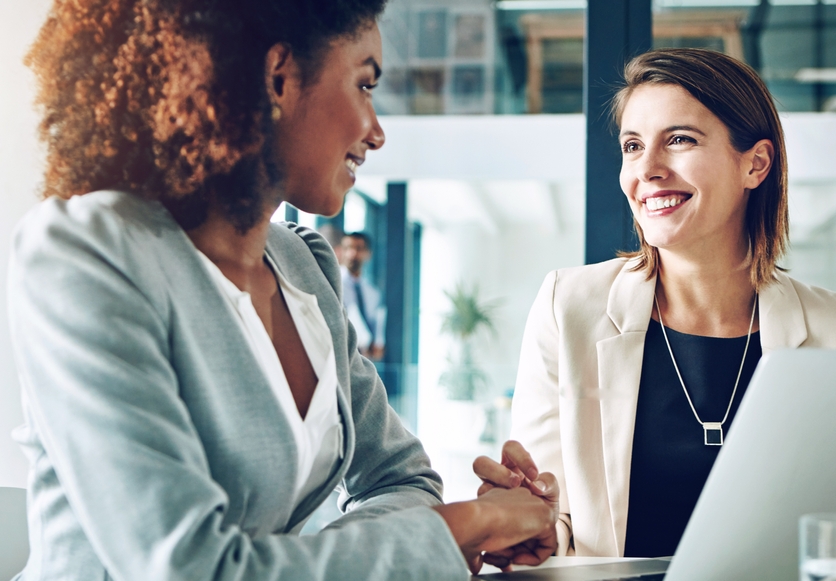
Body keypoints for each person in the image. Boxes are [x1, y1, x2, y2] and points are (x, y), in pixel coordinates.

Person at [8, 1, 558, 579]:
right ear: (279, 78)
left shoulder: (302, 264)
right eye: (364, 85)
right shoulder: (89, 253)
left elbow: (404, 480)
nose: (377, 132)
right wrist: (461, 529)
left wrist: (451, 529)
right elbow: (189, 568)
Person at [474, 48, 836, 559]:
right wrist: (527, 529)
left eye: (679, 140)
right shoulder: (568, 306)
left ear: (755, 164)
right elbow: (556, 521)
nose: (647, 170)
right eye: (633, 145)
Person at [338, 232, 386, 361]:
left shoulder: (373, 293)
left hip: (365, 360)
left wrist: (377, 344)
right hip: (340, 356)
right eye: (348, 248)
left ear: (368, 254)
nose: (352, 254)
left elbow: (376, 325)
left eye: (358, 249)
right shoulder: (333, 285)